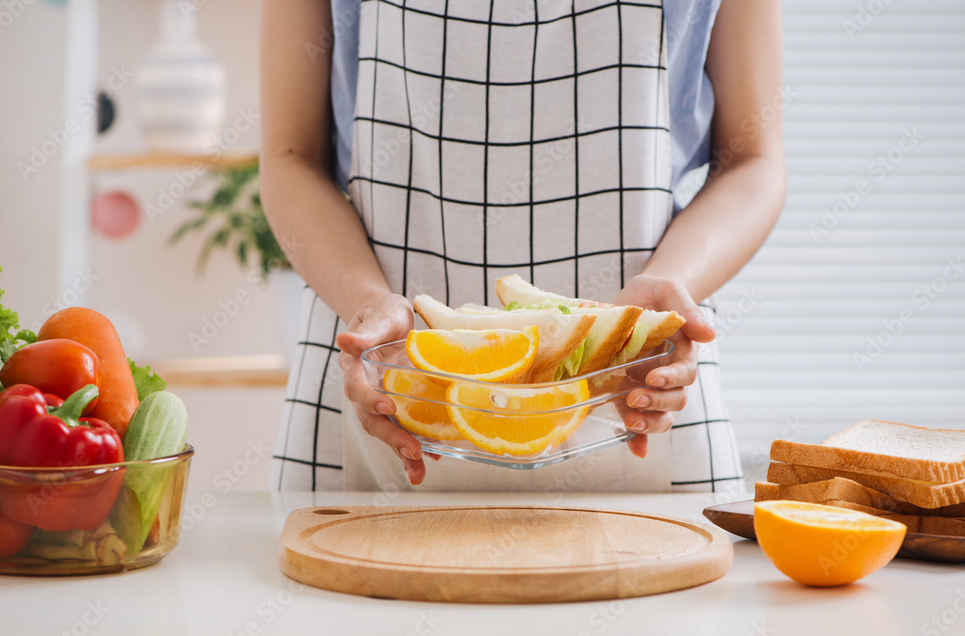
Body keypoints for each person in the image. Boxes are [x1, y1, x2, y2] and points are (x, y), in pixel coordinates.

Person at [260, 0, 786, 493]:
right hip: (383, 385)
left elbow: (753, 159)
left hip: (639, 387)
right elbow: (289, 156)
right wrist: (364, 302)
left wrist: (669, 289)